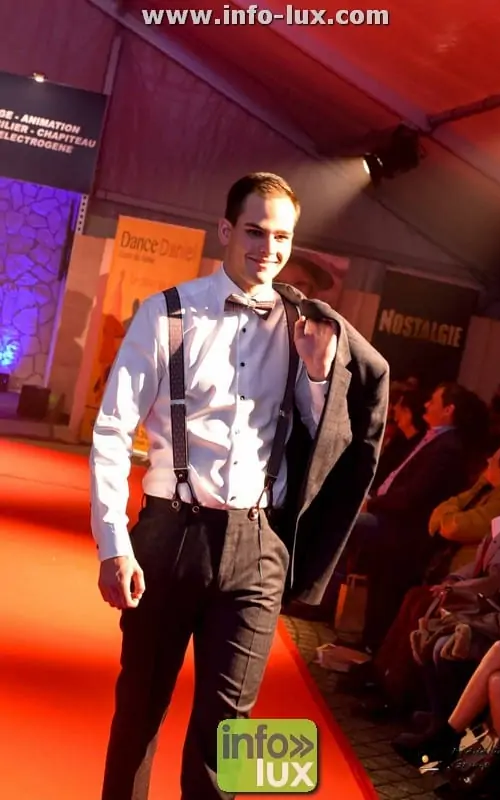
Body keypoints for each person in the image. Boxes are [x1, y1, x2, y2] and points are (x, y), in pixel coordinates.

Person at [89, 171, 389, 800]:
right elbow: (112, 430)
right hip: (170, 535)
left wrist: (316, 376)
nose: (268, 248)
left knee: (231, 735)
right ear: (226, 230)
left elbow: (324, 442)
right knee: (139, 710)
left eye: (282, 237)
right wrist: (114, 544)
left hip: (259, 546)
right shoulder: (167, 313)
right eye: (255, 231)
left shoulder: (308, 328)